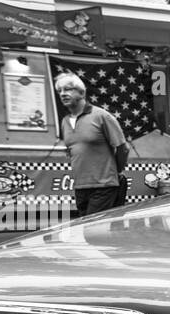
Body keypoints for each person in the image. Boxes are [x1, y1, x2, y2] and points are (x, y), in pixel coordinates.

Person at [55, 72, 130, 217]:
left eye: (68, 89)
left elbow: (123, 148)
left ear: (81, 92)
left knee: (92, 232)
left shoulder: (101, 116)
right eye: (60, 91)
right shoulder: (64, 122)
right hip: (80, 187)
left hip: (104, 185)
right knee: (94, 232)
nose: (63, 94)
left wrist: (115, 171)